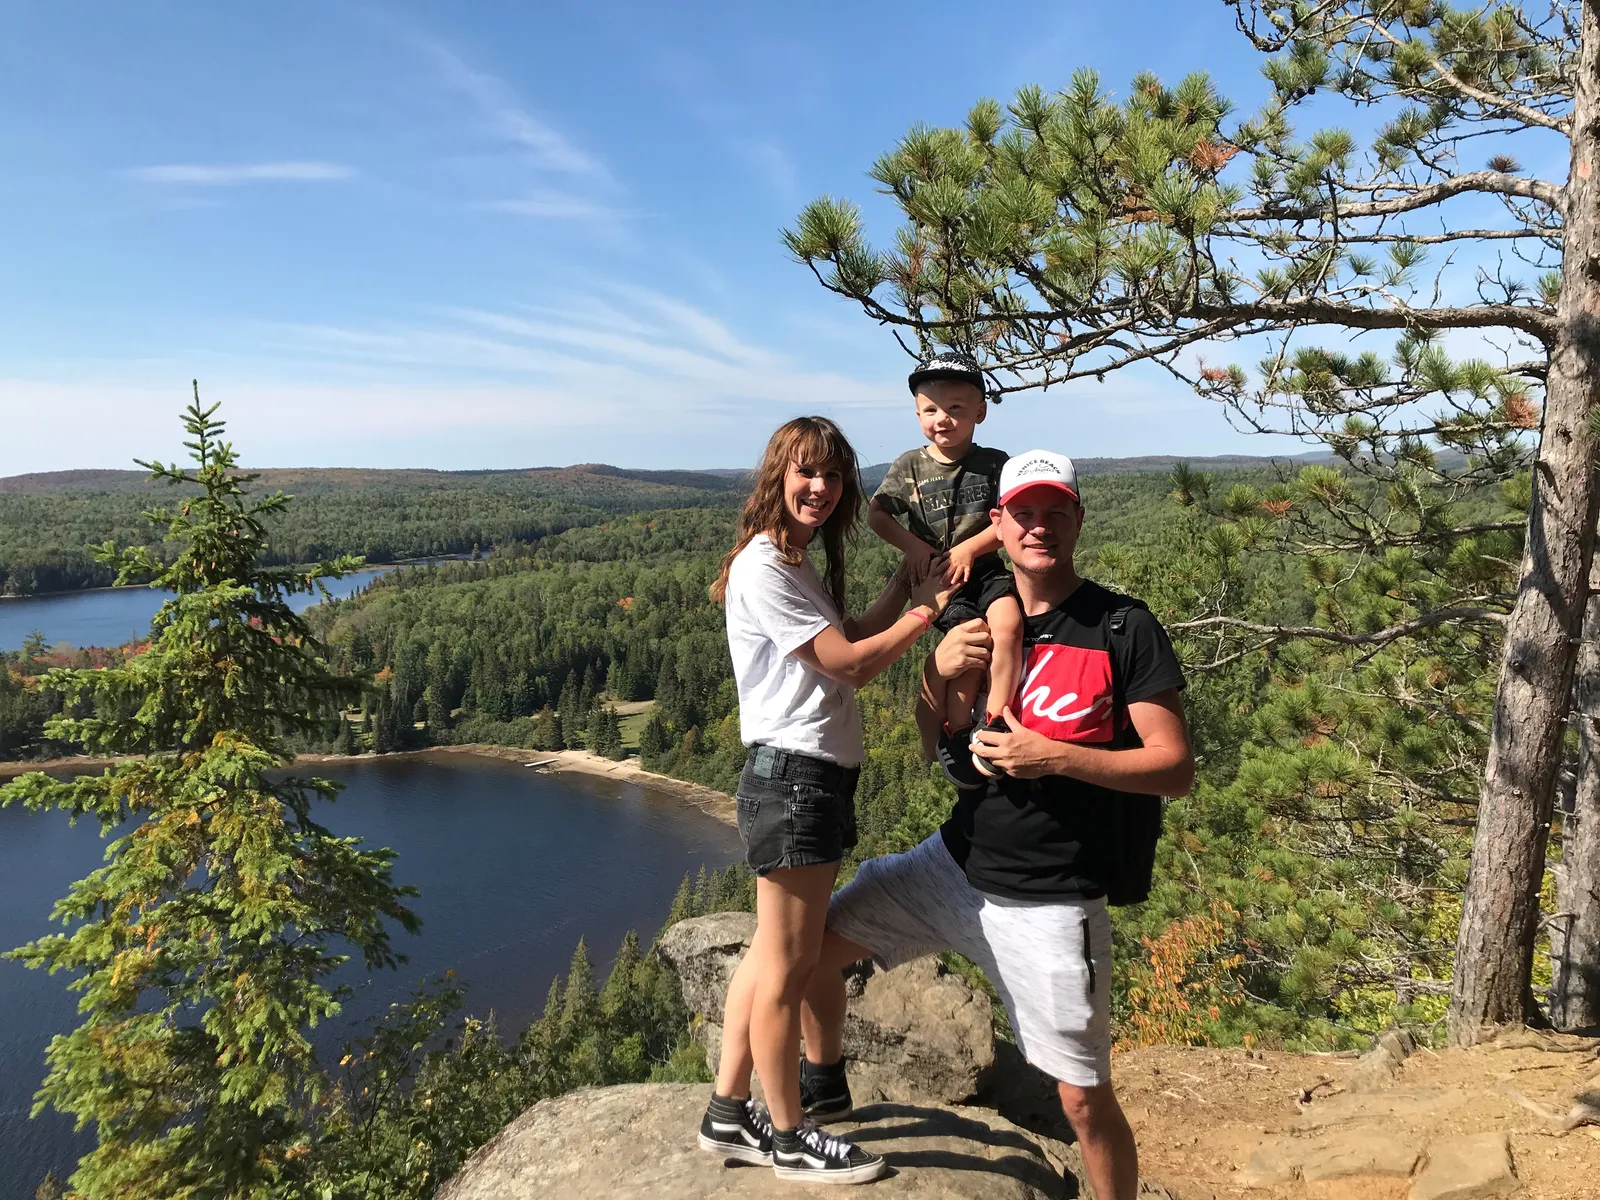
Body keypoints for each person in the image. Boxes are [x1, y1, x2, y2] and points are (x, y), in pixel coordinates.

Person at [797, 449, 1196, 1200]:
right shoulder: (974, 613)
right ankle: (826, 1091)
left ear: (1078, 519)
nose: (1038, 527)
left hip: (1050, 898)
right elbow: (932, 743)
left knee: (1081, 1098)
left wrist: (1056, 756)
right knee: (810, 947)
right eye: (1024, 513)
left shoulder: (1121, 626)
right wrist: (938, 672)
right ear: (999, 524)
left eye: (1055, 512)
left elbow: (1173, 766)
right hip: (952, 865)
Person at [698, 415, 954, 1184]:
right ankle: (788, 1136)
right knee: (789, 968)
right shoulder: (766, 568)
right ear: (776, 475)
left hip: (805, 780)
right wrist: (929, 612)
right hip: (795, 783)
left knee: (769, 957)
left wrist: (904, 586)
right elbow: (849, 664)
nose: (821, 487)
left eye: (834, 475)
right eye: (807, 472)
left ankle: (725, 1109)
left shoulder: (794, 559)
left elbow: (847, 631)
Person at [868, 350, 1024, 784]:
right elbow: (876, 514)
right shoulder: (909, 467)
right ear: (917, 412)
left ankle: (994, 719)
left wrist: (970, 549)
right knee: (969, 651)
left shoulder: (995, 463)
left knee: (1008, 626)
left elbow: (1011, 520)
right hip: (941, 582)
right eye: (931, 409)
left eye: (956, 408)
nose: (943, 419)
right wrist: (914, 548)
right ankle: (958, 734)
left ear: (980, 412)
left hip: (987, 570)